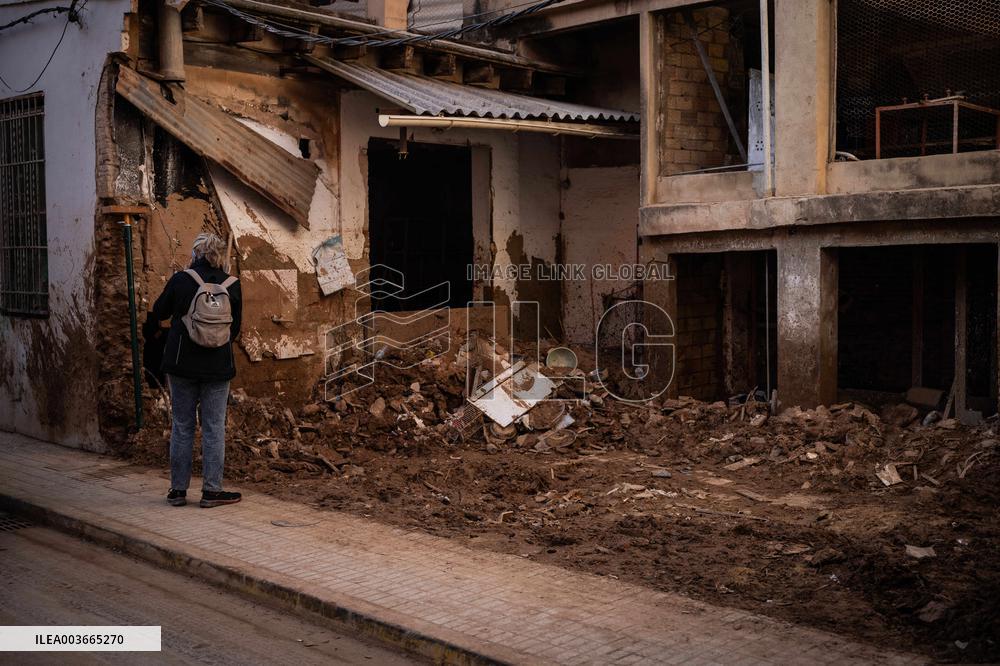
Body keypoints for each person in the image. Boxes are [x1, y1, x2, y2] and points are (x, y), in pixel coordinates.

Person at [146, 233, 243, 508]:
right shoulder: (232, 285)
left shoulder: (181, 279)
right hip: (218, 366)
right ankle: (212, 491)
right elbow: (234, 328)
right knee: (214, 428)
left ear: (195, 254)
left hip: (181, 364)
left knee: (183, 425)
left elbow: (160, 311)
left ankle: (178, 490)